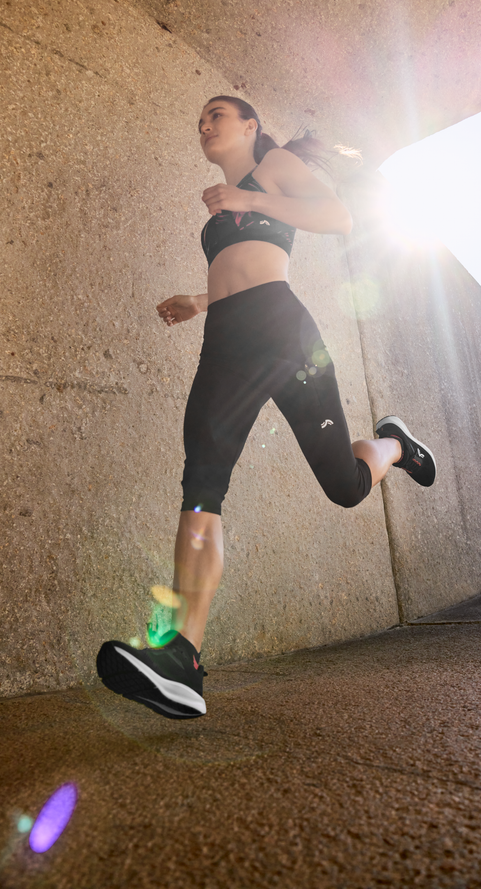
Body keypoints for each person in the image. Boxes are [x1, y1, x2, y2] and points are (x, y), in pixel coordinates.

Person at [95, 97, 435, 719]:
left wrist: (249, 200)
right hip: (224, 337)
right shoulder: (226, 201)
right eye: (198, 116)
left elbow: (336, 217)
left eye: (216, 114)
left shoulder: (269, 167)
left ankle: (395, 445)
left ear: (249, 126)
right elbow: (237, 268)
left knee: (346, 485)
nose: (203, 123)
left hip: (284, 334)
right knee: (201, 477)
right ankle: (182, 659)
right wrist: (199, 301)